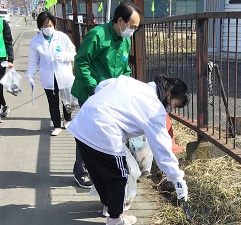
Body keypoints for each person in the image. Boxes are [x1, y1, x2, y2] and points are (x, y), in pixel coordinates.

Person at [67, 75, 190, 225]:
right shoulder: (154, 109)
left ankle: (109, 206)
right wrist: (177, 178)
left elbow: (101, 86)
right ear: (169, 94)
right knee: (119, 176)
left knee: (98, 171)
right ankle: (115, 219)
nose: (171, 109)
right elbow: (163, 150)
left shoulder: (132, 83)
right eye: (174, 105)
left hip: (82, 124)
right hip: (104, 132)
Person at [71, 2, 142, 188]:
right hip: (90, 91)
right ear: (120, 21)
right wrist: (93, 88)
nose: (133, 31)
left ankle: (102, 169)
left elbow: (125, 68)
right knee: (87, 131)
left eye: (136, 28)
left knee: (107, 132)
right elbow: (80, 62)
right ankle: (81, 170)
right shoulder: (98, 35)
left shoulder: (125, 39)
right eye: (132, 26)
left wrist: (126, 87)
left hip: (110, 95)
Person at [26, 11, 76, 136]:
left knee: (66, 99)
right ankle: (57, 126)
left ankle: (68, 119)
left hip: (63, 73)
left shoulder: (62, 37)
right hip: (48, 75)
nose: (48, 28)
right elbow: (33, 60)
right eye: (45, 26)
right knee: (52, 102)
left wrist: (64, 56)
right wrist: (30, 74)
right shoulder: (36, 41)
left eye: (50, 25)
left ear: (54, 24)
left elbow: (73, 53)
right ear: (40, 27)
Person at [0, 17, 14, 119]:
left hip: (1, 58)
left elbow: (8, 41)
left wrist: (10, 59)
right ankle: (4, 106)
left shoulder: (2, 23)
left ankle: (4, 106)